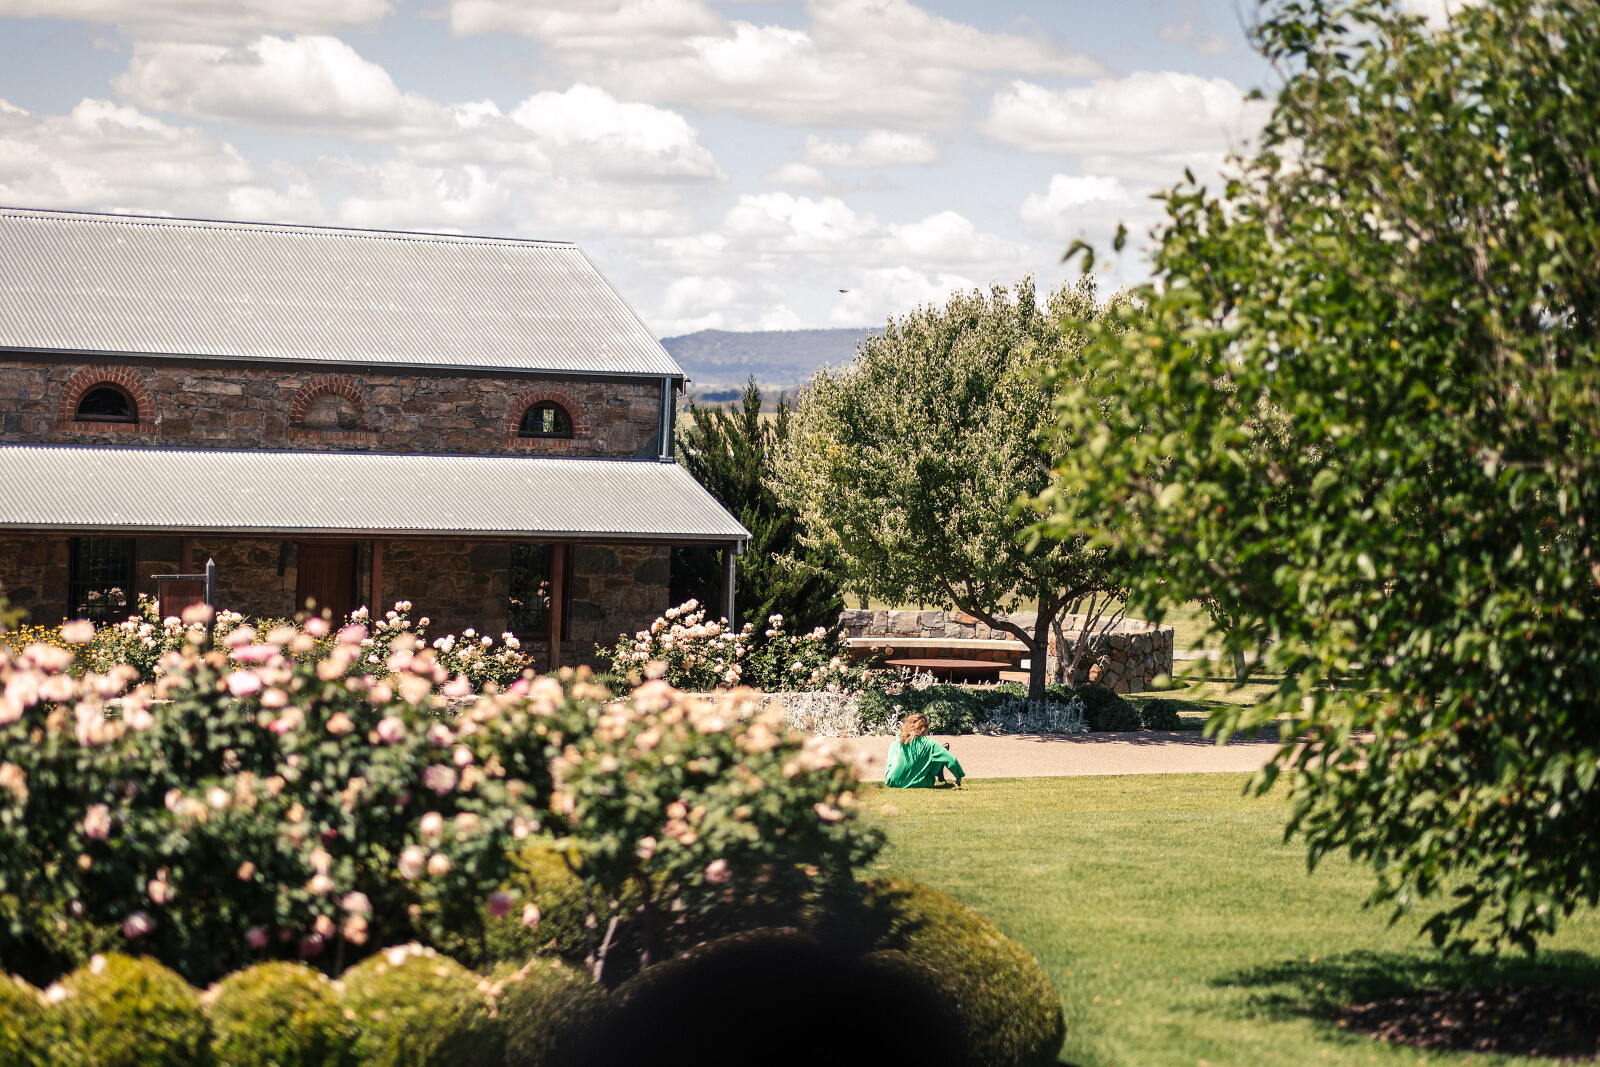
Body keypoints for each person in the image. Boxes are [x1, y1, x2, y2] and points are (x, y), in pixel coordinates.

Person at [883, 712, 965, 789]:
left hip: (891, 781)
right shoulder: (930, 744)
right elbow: (952, 761)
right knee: (938, 756)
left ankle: (940, 756)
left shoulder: (898, 742)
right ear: (924, 729)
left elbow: (890, 763)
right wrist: (958, 776)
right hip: (919, 783)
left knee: (893, 747)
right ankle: (942, 753)